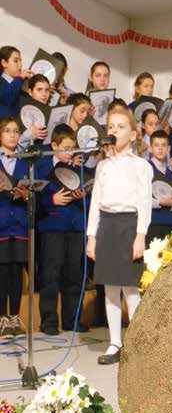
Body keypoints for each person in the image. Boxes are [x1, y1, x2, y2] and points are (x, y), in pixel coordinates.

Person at [86, 109, 152, 365]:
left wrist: (140, 236)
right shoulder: (102, 165)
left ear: (133, 134)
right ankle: (115, 342)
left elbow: (144, 203)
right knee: (110, 287)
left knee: (130, 287)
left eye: (120, 126)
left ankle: (135, 342)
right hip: (107, 227)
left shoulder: (140, 166)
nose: (114, 131)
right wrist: (92, 236)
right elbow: (95, 204)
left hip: (129, 225)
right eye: (110, 126)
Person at [36, 124, 89, 335]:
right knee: (51, 274)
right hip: (53, 227)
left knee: (73, 275)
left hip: (75, 226)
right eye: (65, 148)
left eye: (72, 148)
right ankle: (49, 321)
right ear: (54, 145)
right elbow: (34, 197)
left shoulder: (77, 169)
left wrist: (83, 194)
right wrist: (51, 199)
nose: (69, 152)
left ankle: (72, 320)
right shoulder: (42, 167)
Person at [0, 117, 29, 339]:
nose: (12, 135)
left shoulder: (25, 161)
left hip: (19, 223)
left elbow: (33, 193)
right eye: (7, 131)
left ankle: (15, 317)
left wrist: (26, 195)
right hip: (1, 223)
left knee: (17, 272)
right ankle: (2, 319)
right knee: (2, 272)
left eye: (16, 131)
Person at [146, 130, 172, 245]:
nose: (160, 149)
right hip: (152, 222)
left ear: (169, 149)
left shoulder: (171, 174)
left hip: (170, 222)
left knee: (171, 260)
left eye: (164, 145)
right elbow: (141, 198)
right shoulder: (145, 169)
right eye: (156, 145)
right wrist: (160, 202)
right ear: (150, 148)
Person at [18, 74, 51, 149]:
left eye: (47, 90)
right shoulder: (18, 106)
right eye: (39, 90)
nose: (44, 94)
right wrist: (28, 135)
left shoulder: (52, 112)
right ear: (30, 91)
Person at [0, 46, 32, 119]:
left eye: (20, 61)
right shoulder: (3, 82)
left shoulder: (21, 85)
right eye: (16, 61)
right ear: (4, 63)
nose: (20, 65)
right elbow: (7, 99)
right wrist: (20, 78)